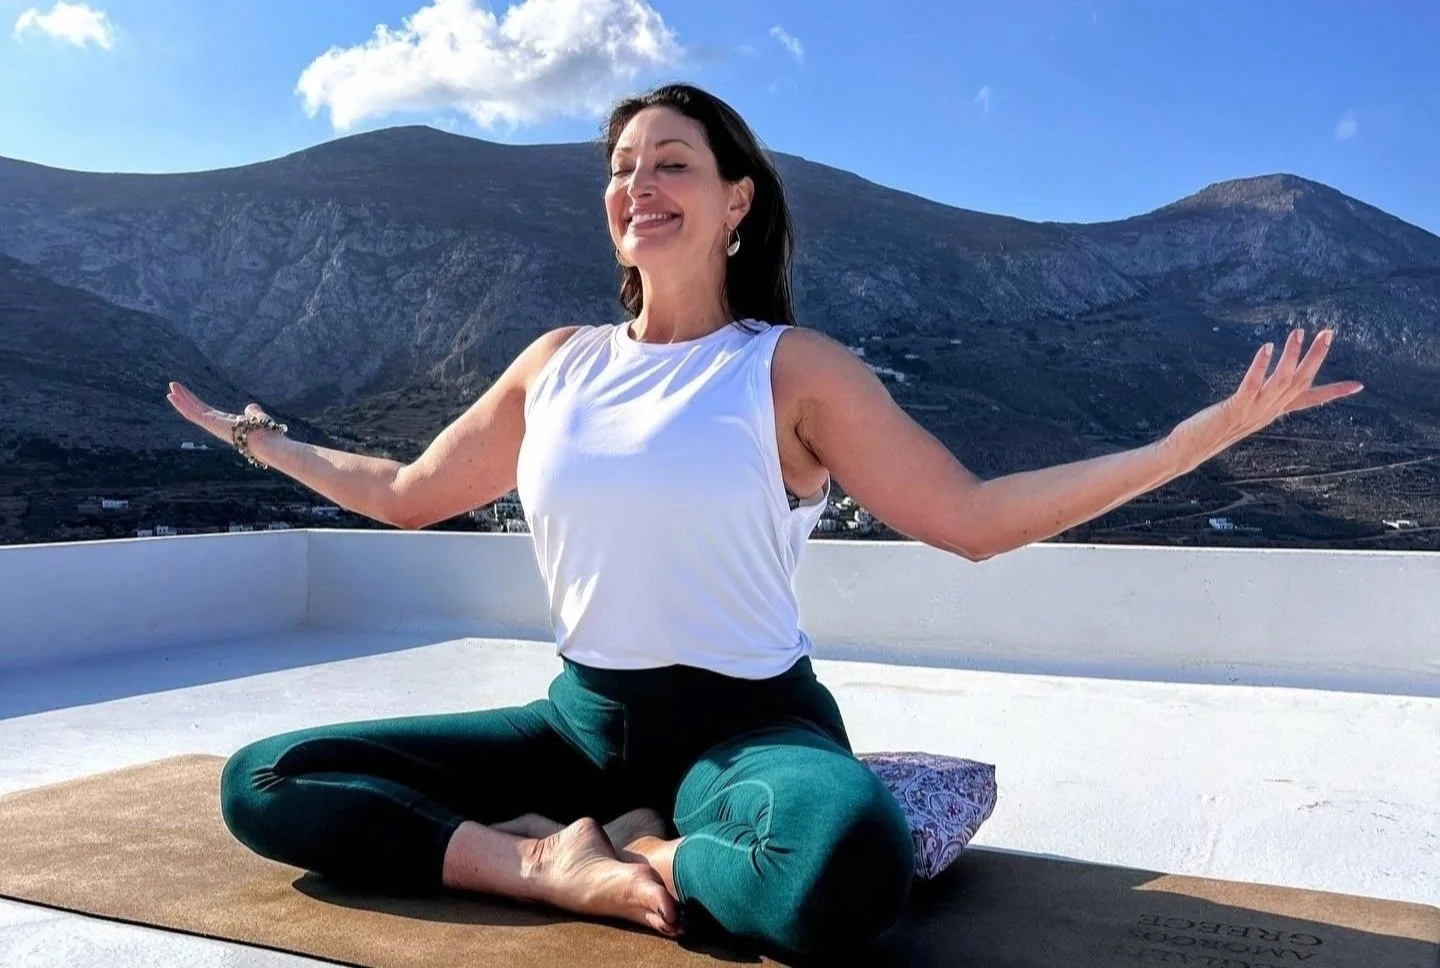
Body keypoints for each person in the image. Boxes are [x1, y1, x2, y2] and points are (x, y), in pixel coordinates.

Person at [165, 82, 1363, 957]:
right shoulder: (556, 364)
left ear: (737, 199)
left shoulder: (792, 372)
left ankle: (663, 847)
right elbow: (405, 491)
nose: (638, 185)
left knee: (845, 867)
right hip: (578, 726)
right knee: (271, 778)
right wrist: (252, 435)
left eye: (672, 162)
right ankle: (550, 862)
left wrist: (1181, 447)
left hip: (750, 723)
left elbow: (974, 518)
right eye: (623, 167)